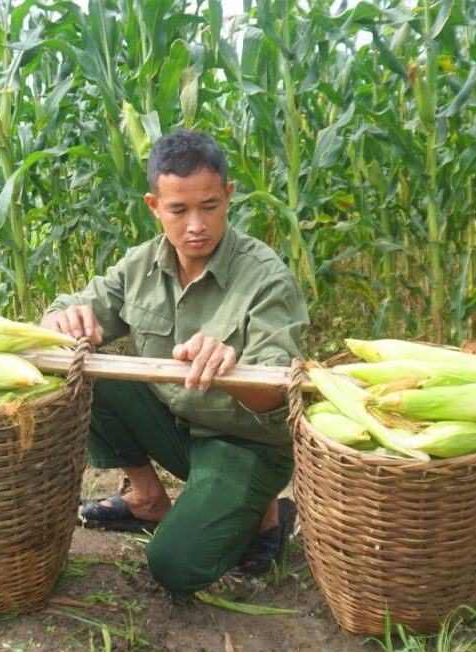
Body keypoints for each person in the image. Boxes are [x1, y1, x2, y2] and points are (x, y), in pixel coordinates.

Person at [40, 129, 309, 595]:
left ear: (228, 195)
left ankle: (267, 513)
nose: (196, 226)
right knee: (86, 373)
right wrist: (61, 319)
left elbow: (277, 396)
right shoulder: (140, 265)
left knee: (174, 565)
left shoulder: (266, 278)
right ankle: (147, 498)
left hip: (244, 443)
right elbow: (74, 307)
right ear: (154, 206)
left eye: (210, 206)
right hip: (177, 424)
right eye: (179, 210)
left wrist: (231, 369)